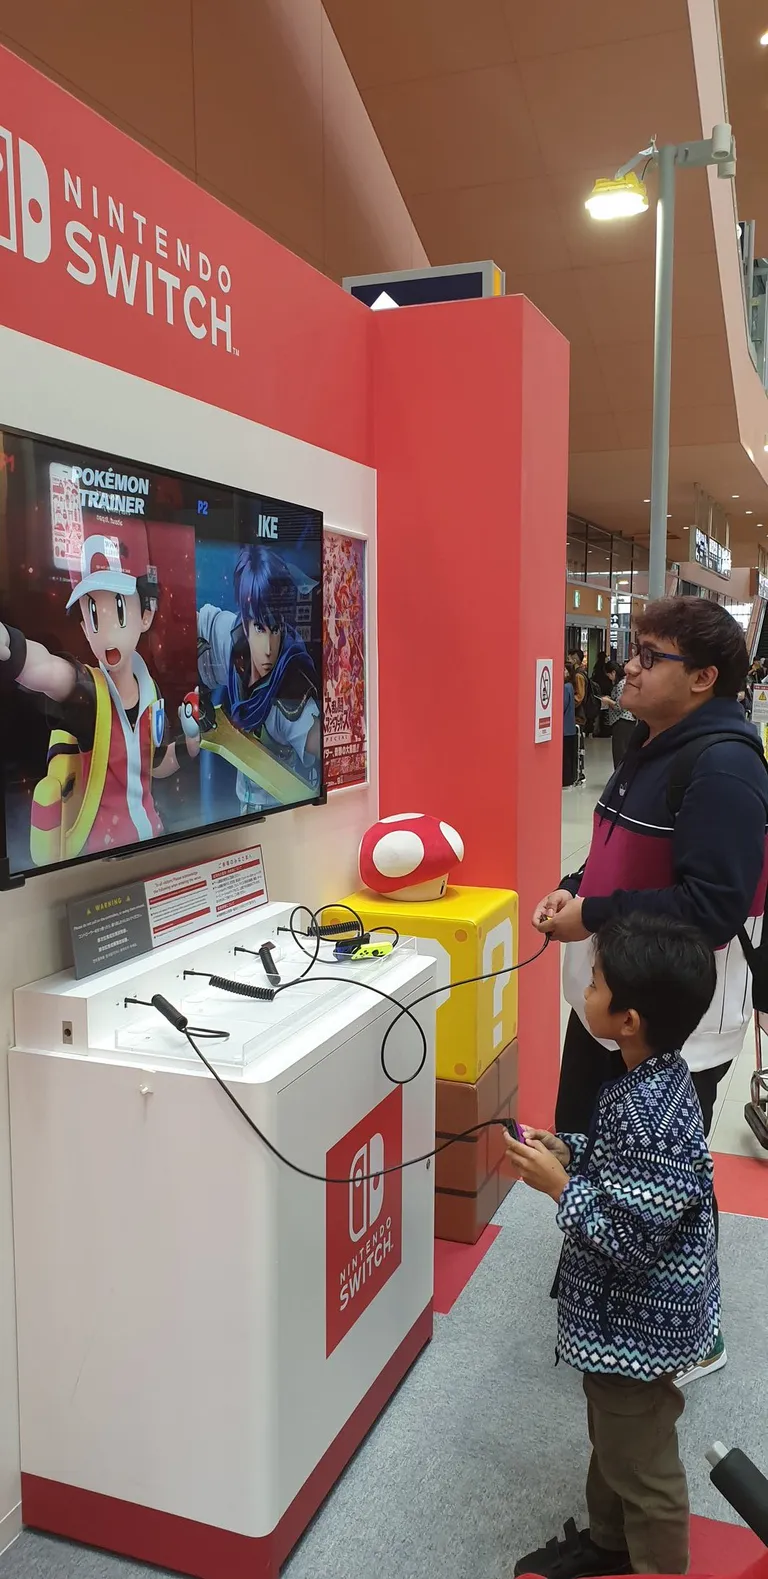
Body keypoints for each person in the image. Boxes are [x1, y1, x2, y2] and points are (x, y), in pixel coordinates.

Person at [534, 597, 768, 1384]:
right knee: (591, 1151)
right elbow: (619, 856)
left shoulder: (727, 765)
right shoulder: (650, 743)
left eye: (649, 654)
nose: (627, 663)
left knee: (658, 1185)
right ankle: (603, 1289)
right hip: (608, 1007)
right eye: (633, 647)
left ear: (704, 677)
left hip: (672, 1023)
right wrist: (577, 890)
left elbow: (710, 906)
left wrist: (595, 913)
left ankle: (689, 1333)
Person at [507, 915, 720, 1579]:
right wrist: (571, 1150)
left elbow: (629, 1236)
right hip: (616, 1325)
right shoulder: (643, 1076)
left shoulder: (654, 1115)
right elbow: (626, 1175)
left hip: (642, 1325)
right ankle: (610, 1539)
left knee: (643, 1458)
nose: (584, 988)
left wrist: (558, 1186)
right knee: (614, 1433)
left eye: (594, 982)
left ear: (627, 1017)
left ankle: (657, 1562)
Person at [197, 542, 321, 815]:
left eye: (275, 629)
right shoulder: (228, 638)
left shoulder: (294, 695)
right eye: (259, 628)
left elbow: (323, 747)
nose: (268, 648)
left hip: (283, 811)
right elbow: (188, 631)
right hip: (243, 806)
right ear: (245, 623)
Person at [600, 666, 637, 768]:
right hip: (625, 721)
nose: (609, 679)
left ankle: (619, 777)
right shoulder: (623, 683)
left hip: (622, 721)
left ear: (613, 672)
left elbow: (619, 706)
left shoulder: (621, 684)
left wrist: (608, 701)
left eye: (609, 676)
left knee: (619, 752)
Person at [563, 663, 577, 788]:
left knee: (565, 756)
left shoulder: (565, 687)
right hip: (570, 727)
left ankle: (566, 779)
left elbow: (562, 706)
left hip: (564, 728)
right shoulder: (570, 687)